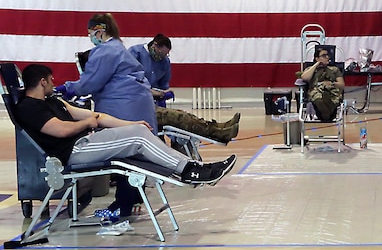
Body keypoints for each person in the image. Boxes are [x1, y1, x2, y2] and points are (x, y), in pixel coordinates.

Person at [15, 64, 236, 186]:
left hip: (84, 141)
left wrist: (131, 123)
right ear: (42, 81)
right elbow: (62, 130)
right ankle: (190, 170)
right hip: (72, 151)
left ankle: (194, 167)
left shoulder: (53, 100)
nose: (54, 83)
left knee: (138, 131)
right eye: (51, 80)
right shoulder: (29, 108)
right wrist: (87, 123)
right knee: (138, 140)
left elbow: (97, 116)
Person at [56, 13, 161, 216]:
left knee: (124, 155)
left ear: (99, 30)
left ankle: (122, 205)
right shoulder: (118, 48)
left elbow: (90, 82)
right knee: (135, 154)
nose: (90, 37)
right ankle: (131, 200)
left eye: (90, 33)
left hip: (123, 104)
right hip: (135, 102)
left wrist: (66, 88)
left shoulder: (105, 51)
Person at [123, 35, 241, 143]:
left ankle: (218, 128)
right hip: (138, 107)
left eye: (164, 55)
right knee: (179, 118)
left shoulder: (164, 62)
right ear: (154, 45)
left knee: (181, 115)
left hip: (149, 103)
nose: (161, 58)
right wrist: (153, 92)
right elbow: (132, 84)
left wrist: (163, 93)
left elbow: (163, 85)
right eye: (160, 54)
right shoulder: (134, 54)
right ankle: (217, 132)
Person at [300, 46, 344, 122]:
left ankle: (325, 116)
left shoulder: (334, 69)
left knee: (329, 99)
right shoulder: (311, 69)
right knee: (319, 99)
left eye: (327, 55)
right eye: (324, 56)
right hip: (316, 92)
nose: (327, 57)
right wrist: (316, 64)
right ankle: (327, 117)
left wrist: (332, 83)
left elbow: (342, 84)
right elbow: (305, 78)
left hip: (331, 93)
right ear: (317, 58)